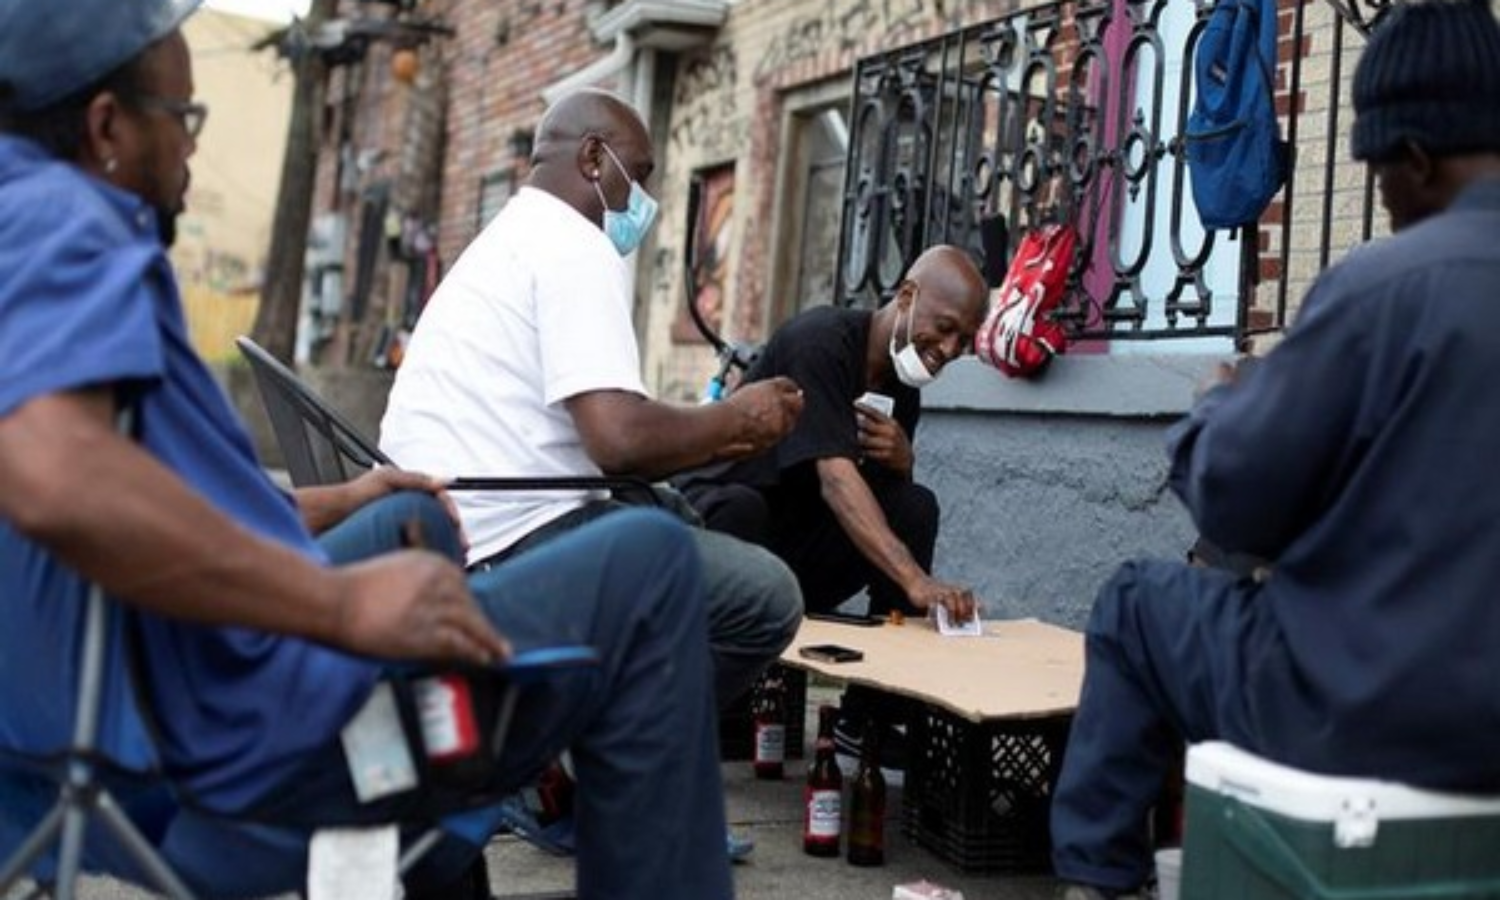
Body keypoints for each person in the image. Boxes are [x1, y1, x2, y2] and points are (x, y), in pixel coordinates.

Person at [0, 4, 732, 899]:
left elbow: (144, 492)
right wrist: (337, 603)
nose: (193, 144)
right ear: (107, 127)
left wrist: (352, 499)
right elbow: (58, 478)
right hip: (234, 755)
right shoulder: (57, 221)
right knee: (649, 564)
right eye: (181, 116)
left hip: (128, 709)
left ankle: (438, 838)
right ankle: (453, 781)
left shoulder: (29, 230)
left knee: (409, 518)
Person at [1049, 3, 1500, 897]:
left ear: (1416, 158)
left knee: (1138, 603)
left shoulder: (1385, 286)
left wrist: (1216, 410)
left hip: (1360, 709)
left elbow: (1236, 506)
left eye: (1379, 173)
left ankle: (1099, 883)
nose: (1384, 200)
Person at [379, 88, 807, 715]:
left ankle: (595, 723)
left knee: (672, 514)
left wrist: (714, 428)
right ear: (593, 159)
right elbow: (619, 441)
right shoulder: (575, 245)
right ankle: (591, 741)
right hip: (504, 541)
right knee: (767, 598)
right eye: (638, 175)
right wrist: (736, 419)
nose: (642, 200)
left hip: (454, 518)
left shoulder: (509, 237)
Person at [676, 244, 990, 763]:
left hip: (795, 548)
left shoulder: (903, 388)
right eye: (945, 327)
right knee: (743, 507)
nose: (950, 349)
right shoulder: (820, 341)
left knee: (915, 507)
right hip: (721, 536)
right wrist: (917, 581)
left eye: (964, 340)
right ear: (906, 296)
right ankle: (720, 707)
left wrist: (903, 464)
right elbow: (836, 481)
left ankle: (869, 718)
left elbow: (879, 501)